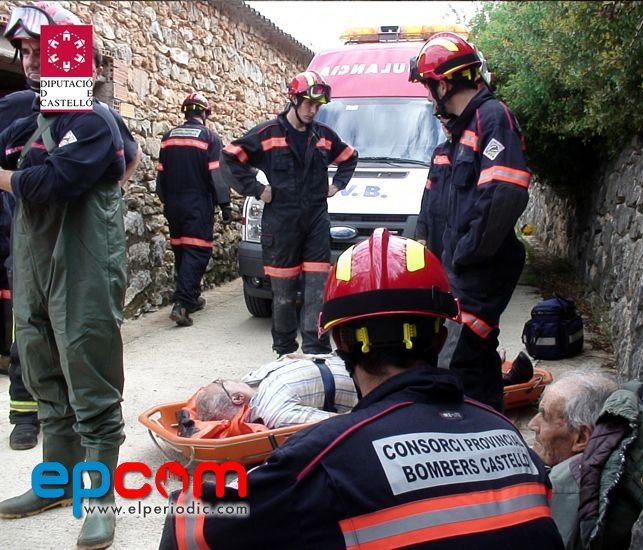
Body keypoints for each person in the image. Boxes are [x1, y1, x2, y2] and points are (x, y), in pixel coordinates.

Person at [159, 228, 563, 549]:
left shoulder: (325, 458)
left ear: (339, 343)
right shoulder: (511, 438)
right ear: (440, 338)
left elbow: (187, 529)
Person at [0, 4, 128, 547]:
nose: (30, 61)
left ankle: (99, 499)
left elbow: (50, 184)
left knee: (87, 365)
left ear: (69, 54)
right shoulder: (28, 121)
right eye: (24, 51)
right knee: (39, 359)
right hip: (34, 259)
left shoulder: (93, 119)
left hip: (84, 261)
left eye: (41, 49)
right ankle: (55, 482)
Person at [410, 32, 531, 412]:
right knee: (474, 361)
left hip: (477, 270)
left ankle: (458, 430)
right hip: (457, 272)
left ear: (443, 84)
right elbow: (435, 210)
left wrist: (464, 256)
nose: (428, 95)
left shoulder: (491, 118)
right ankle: (489, 428)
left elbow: (504, 195)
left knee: (454, 361)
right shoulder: (456, 136)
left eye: (428, 86)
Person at [222, 70, 357, 356]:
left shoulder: (324, 137)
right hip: (282, 226)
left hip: (316, 223)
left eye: (317, 106)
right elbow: (230, 157)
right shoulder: (268, 134)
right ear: (293, 100)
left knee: (317, 292)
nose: (313, 110)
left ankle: (316, 351)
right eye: (308, 104)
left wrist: (337, 185)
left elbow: (349, 157)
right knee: (283, 296)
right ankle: (284, 352)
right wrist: (257, 189)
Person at [528, 372, 643, 549]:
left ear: (581, 438)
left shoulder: (565, 488)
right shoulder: (633, 448)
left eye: (545, 416)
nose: (532, 425)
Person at [157, 92, 230, 327]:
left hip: (173, 203)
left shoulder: (168, 137)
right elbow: (217, 175)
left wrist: (167, 202)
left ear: (185, 112)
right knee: (197, 252)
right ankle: (182, 304)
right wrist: (225, 205)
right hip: (197, 203)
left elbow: (160, 177)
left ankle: (192, 296)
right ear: (205, 114)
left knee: (181, 250)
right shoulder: (209, 137)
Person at [179, 354, 358, 437]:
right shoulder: (276, 413)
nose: (224, 378)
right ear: (237, 398)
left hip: (343, 357)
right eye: (221, 382)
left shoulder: (252, 380)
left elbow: (291, 357)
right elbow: (344, 422)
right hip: (362, 375)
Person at [416, 118, 451, 258]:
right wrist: (421, 232)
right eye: (443, 123)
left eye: (449, 123)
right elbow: (427, 195)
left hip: (455, 232)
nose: (446, 128)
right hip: (435, 230)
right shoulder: (438, 152)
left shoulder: (468, 152)